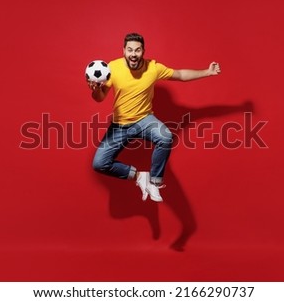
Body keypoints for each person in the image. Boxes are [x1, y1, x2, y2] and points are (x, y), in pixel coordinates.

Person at [89, 33, 221, 202]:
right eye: (129, 50)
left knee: (165, 137)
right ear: (123, 51)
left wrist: (207, 72)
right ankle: (139, 177)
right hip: (120, 125)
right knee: (99, 164)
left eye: (137, 50)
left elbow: (180, 75)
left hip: (145, 120)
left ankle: (154, 183)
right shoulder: (112, 68)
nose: (133, 54)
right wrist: (95, 89)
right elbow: (99, 98)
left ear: (143, 51)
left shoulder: (153, 68)